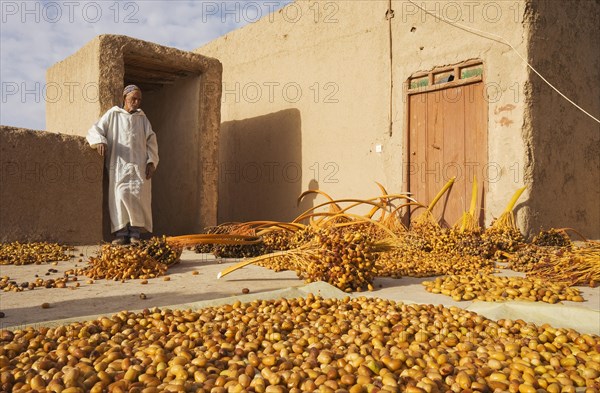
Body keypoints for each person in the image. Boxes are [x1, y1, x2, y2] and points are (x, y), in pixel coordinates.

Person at [86, 85, 159, 245]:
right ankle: (121, 234)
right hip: (119, 166)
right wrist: (100, 141)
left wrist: (151, 161)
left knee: (138, 198)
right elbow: (95, 129)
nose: (137, 102)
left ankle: (134, 235)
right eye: (133, 98)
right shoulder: (113, 114)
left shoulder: (143, 118)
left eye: (139, 99)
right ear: (124, 97)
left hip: (139, 168)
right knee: (119, 196)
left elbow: (151, 141)